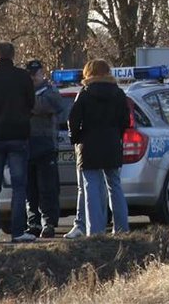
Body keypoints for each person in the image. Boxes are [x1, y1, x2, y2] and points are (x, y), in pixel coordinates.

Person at [0, 42, 36, 243]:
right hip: (17, 135)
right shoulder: (22, 77)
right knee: (19, 184)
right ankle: (18, 231)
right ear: (13, 55)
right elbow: (31, 103)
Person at [69, 59, 130, 236]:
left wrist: (76, 138)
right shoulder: (118, 94)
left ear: (88, 73)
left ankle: (94, 231)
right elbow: (125, 121)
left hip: (89, 146)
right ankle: (121, 228)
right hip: (112, 143)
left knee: (91, 188)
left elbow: (73, 119)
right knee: (115, 186)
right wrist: (116, 134)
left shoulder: (85, 93)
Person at [24, 60, 64, 239]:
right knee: (30, 189)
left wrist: (28, 103)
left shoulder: (51, 90)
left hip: (46, 145)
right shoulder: (23, 91)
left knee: (48, 188)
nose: (33, 77)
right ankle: (33, 223)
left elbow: (45, 106)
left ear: (42, 73)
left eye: (36, 73)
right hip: (26, 144)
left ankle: (48, 223)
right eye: (30, 73)